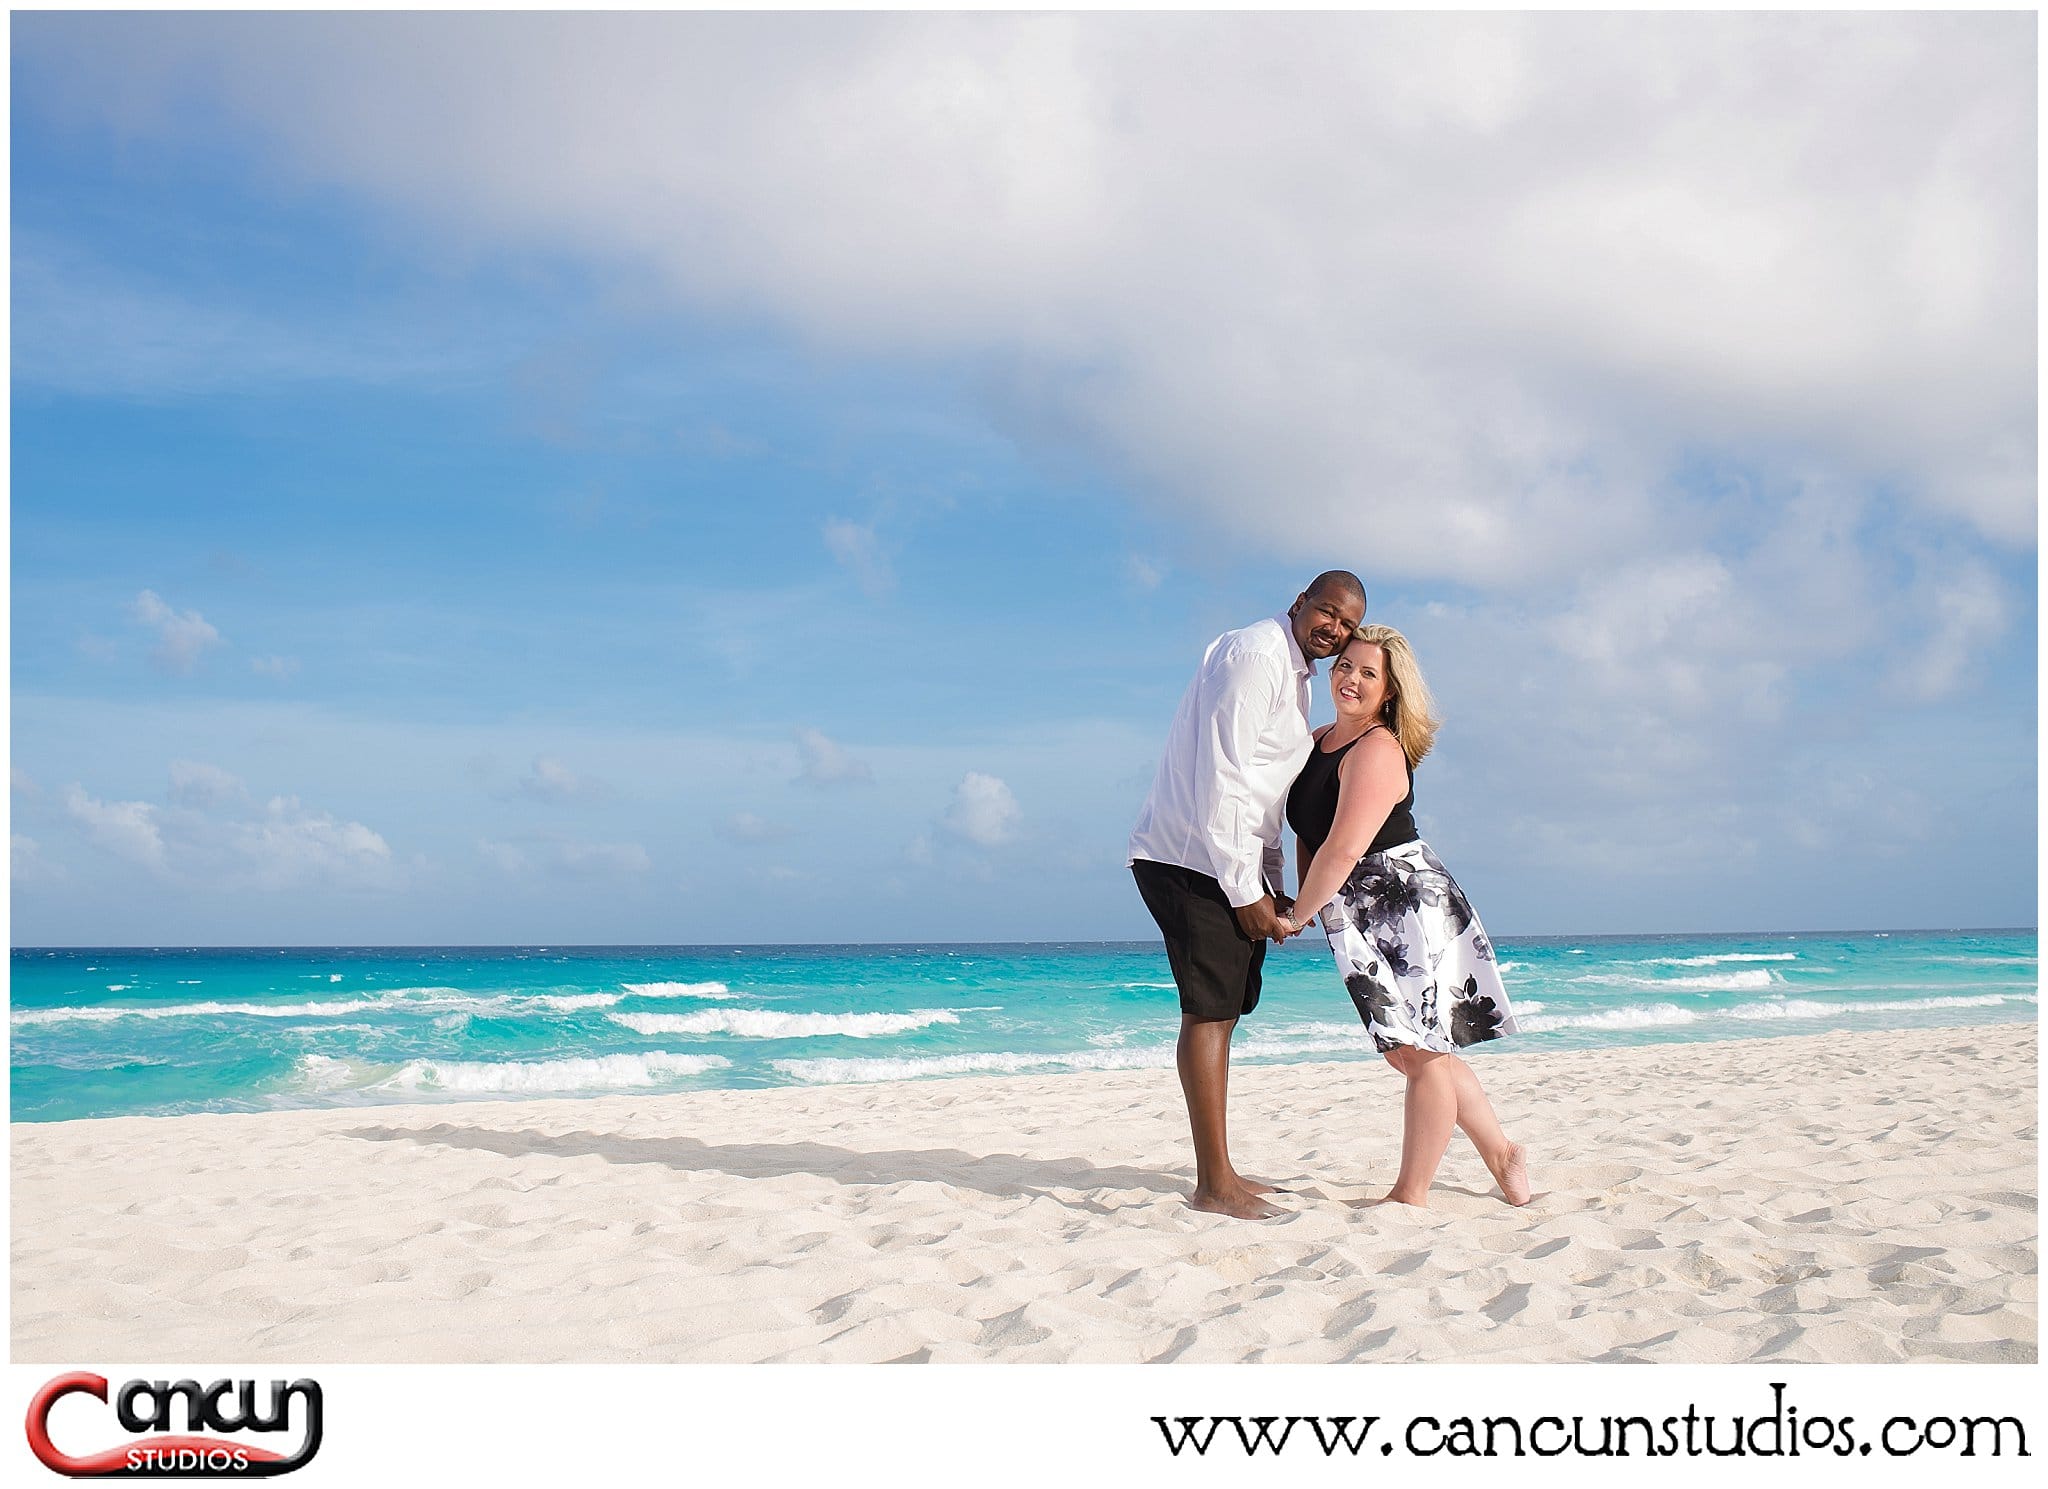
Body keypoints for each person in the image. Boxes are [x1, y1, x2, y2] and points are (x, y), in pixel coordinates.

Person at [1129, 571, 1367, 1219]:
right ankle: (1213, 1186)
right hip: (1189, 859)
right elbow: (1224, 778)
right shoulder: (1255, 656)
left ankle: (1223, 1169)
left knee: (1225, 1010)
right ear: (1299, 602)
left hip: (1221, 860)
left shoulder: (1294, 677)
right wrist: (1244, 892)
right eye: (1327, 611)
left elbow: (1262, 793)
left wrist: (1273, 884)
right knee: (1207, 1011)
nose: (1334, 628)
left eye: (1346, 624)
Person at [1279, 624, 1531, 1209]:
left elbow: (1345, 847)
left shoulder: (1378, 749)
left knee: (1419, 1052)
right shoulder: (1318, 742)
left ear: (1389, 692)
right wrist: (1307, 898)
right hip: (1353, 906)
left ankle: (1410, 1195)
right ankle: (1502, 1154)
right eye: (1345, 666)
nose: (1351, 679)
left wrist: (1297, 913)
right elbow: (1311, 835)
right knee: (1417, 1049)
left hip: (1401, 904)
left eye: (1369, 674)